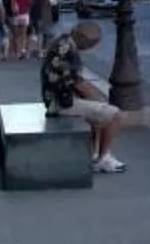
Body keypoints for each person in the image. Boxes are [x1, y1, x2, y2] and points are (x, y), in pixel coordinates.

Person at [40, 21, 129, 174]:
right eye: (91, 44)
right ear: (84, 39)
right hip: (61, 104)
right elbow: (76, 82)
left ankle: (94, 154)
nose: (90, 48)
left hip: (55, 98)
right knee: (115, 115)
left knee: (99, 114)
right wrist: (99, 99)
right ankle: (103, 159)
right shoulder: (68, 51)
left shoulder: (62, 41)